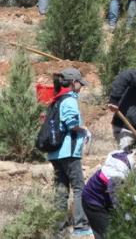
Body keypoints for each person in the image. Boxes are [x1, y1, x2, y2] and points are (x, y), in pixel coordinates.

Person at [47, 68, 93, 237]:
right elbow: (71, 124)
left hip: (55, 153)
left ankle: (60, 231)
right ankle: (81, 226)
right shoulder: (70, 99)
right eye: (80, 83)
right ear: (73, 83)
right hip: (69, 152)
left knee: (61, 190)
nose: (82, 87)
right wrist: (85, 129)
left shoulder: (56, 98)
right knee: (79, 188)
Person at [82, 149, 136, 239]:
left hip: (107, 199)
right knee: (107, 235)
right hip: (94, 201)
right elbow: (118, 197)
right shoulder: (118, 171)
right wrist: (129, 218)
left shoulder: (129, 161)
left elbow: (123, 194)